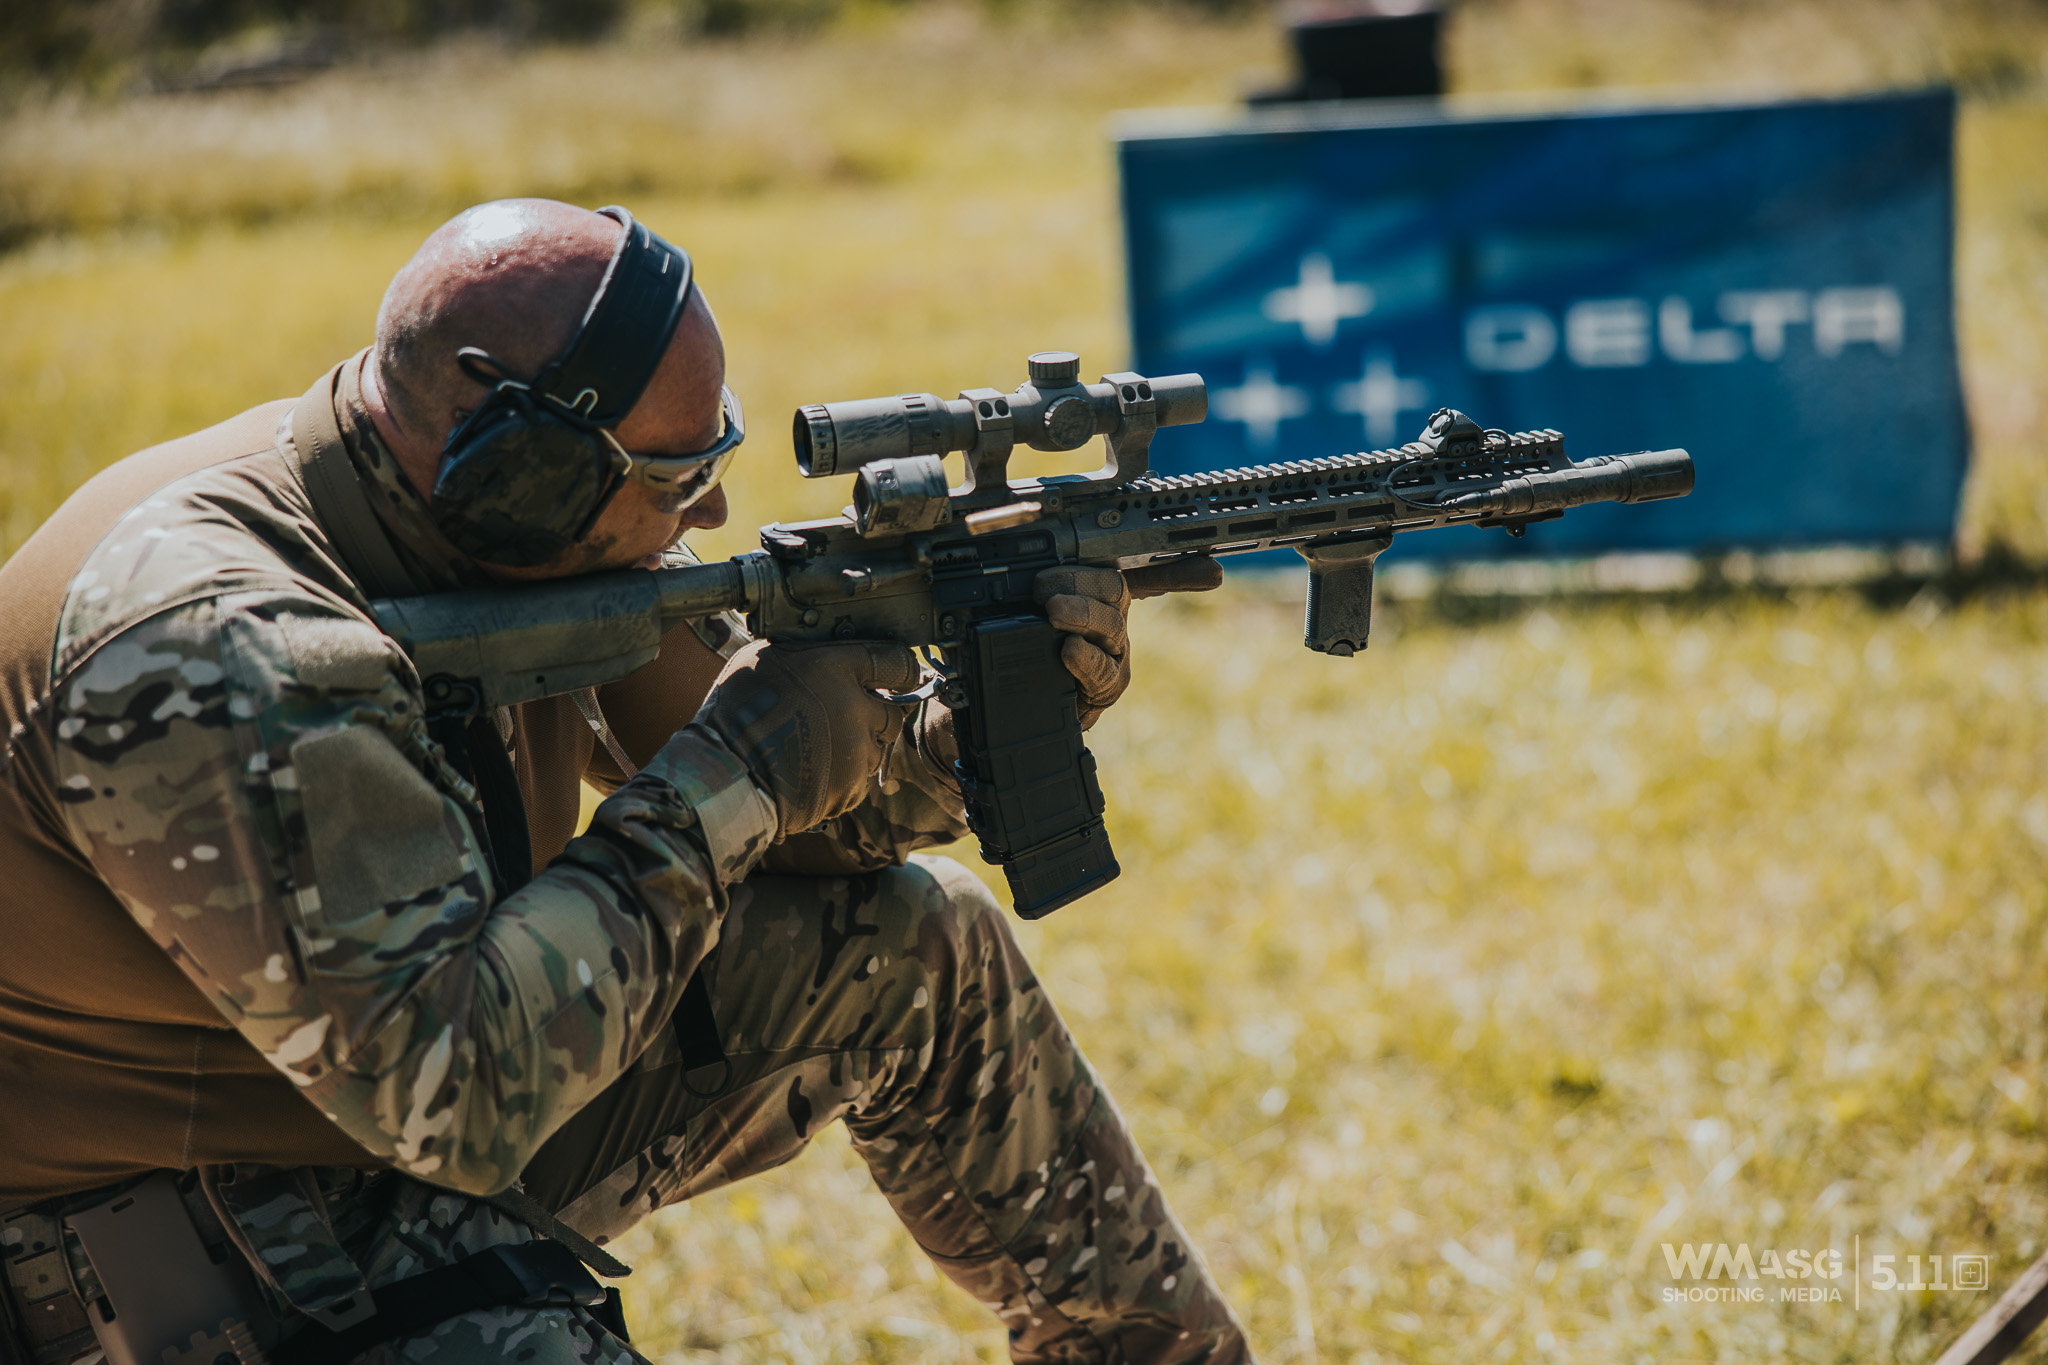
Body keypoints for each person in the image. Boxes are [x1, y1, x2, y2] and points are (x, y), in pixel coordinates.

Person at [0, 198, 1250, 1365]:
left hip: (379, 1129)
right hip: (128, 1252)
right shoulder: (215, 651)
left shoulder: (498, 527)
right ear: (522, 473)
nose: (708, 511)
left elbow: (813, 823)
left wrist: (963, 723)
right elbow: (458, 1104)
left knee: (915, 944)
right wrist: (738, 770)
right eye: (674, 482)